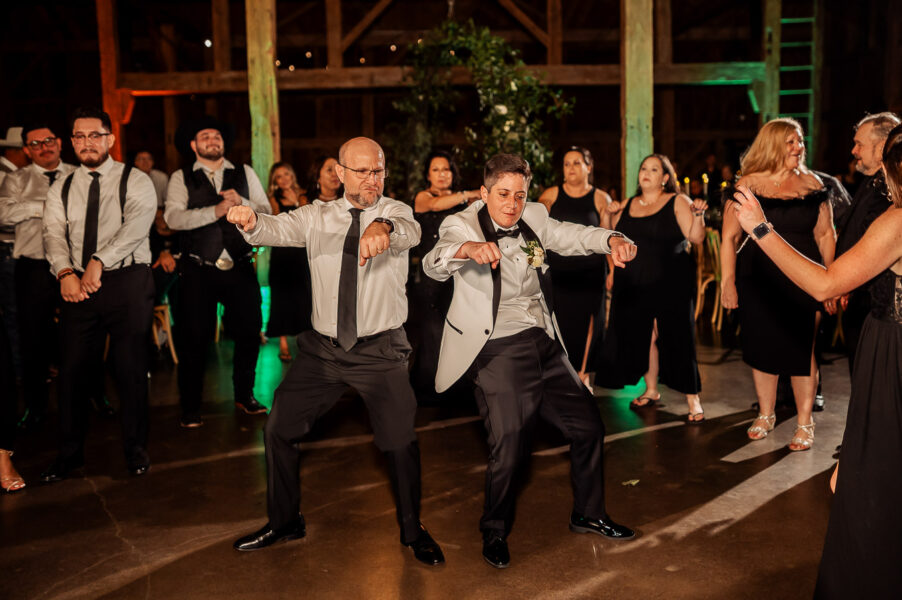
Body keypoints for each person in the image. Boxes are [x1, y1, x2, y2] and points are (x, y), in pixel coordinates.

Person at [228, 137, 444, 566]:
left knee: (399, 442)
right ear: (340, 173)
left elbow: (410, 231)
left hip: (380, 351)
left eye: (378, 170)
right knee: (278, 428)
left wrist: (383, 228)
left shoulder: (396, 211)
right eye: (361, 171)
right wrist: (251, 220)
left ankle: (412, 530)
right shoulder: (316, 215)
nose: (371, 179)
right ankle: (285, 521)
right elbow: (275, 229)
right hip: (323, 352)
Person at [423, 153, 637, 569]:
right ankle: (494, 530)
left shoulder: (535, 215)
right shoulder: (460, 224)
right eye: (503, 194)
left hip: (542, 337)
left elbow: (571, 235)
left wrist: (610, 239)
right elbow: (435, 262)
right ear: (484, 192)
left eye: (519, 195)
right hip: (496, 343)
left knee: (588, 426)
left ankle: (588, 513)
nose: (512, 203)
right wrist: (467, 248)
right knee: (511, 444)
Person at [729, 122, 902, 598]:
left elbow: (826, 282)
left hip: (892, 353)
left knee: (869, 487)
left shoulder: (897, 220)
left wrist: (761, 229)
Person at [40, 107, 157, 481]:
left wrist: (99, 260)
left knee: (130, 370)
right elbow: (53, 233)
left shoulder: (135, 179)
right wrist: (64, 271)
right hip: (77, 284)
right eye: (79, 136)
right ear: (71, 141)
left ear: (110, 139)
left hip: (127, 281)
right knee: (71, 371)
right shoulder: (61, 186)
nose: (87, 142)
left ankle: (135, 450)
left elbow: (136, 226)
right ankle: (69, 455)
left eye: (95, 135)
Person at [720, 117, 845, 451]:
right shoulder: (749, 184)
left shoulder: (814, 183)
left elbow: (825, 235)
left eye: (800, 140)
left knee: (803, 350)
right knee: (762, 348)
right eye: (791, 141)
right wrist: (728, 281)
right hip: (758, 279)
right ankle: (766, 413)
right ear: (772, 145)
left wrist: (832, 279)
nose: (798, 147)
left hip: (804, 279)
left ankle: (805, 421)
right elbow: (729, 237)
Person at [164, 116, 271, 428]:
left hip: (240, 265)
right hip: (199, 268)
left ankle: (244, 395)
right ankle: (191, 406)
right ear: (193, 145)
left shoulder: (244, 172)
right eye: (206, 136)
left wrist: (244, 202)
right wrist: (214, 211)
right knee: (194, 338)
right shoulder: (181, 177)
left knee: (249, 331)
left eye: (217, 136)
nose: (213, 140)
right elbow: (172, 218)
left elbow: (267, 211)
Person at [595, 154, 706, 422]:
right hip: (634, 282)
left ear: (665, 177)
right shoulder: (628, 204)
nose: (646, 173)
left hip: (671, 282)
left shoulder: (678, 201)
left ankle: (693, 400)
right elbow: (608, 237)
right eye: (644, 168)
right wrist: (606, 215)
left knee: (678, 338)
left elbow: (696, 237)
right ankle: (651, 390)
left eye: (654, 169)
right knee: (643, 337)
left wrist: (699, 215)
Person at [0, 122, 76, 432]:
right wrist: (44, 207)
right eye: (35, 144)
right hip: (32, 265)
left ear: (59, 143)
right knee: (32, 337)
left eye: (48, 140)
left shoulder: (79, 174)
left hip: (74, 265)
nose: (44, 147)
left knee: (82, 332)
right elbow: (4, 214)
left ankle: (92, 395)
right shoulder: (16, 179)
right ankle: (35, 406)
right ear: (27, 150)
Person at [537, 146, 613, 389]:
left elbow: (607, 236)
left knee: (591, 322)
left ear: (588, 167)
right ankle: (562, 373)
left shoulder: (601, 198)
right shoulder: (551, 195)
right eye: (567, 163)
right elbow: (537, 232)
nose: (570, 168)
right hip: (559, 271)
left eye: (576, 163)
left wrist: (612, 271)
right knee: (560, 322)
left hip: (590, 271)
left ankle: (583, 375)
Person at [833, 112, 900, 375]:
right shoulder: (871, 182)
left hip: (875, 302)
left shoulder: (890, 191)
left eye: (859, 144)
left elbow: (869, 241)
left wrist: (843, 282)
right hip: (857, 293)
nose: (854, 151)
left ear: (882, 146)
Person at [409, 150, 480, 398]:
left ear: (453, 172)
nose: (441, 174)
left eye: (446, 169)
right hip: (430, 275)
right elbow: (436, 205)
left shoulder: (463, 203)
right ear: (428, 175)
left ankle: (460, 388)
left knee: (459, 328)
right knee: (433, 331)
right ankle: (431, 388)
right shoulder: (423, 197)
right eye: (436, 169)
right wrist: (469, 194)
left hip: (459, 274)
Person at [264, 161, 312, 361]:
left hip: (302, 252)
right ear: (274, 181)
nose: (283, 179)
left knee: (304, 295)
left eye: (286, 174)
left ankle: (304, 341)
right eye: (278, 176)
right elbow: (278, 223)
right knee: (281, 296)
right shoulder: (274, 199)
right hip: (282, 253)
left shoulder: (305, 194)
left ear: (292, 175)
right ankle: (283, 343)